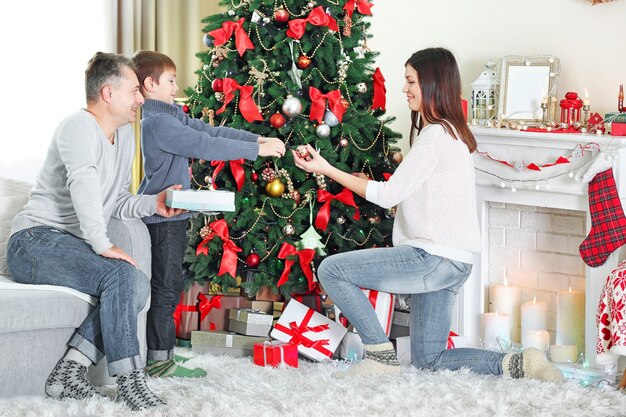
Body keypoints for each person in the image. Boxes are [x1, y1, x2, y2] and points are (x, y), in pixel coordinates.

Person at [293, 47, 563, 382]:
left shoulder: (435, 136)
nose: (404, 89)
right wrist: (374, 185)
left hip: (431, 258)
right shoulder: (451, 132)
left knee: (332, 270)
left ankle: (379, 355)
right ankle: (520, 364)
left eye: (410, 81)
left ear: (432, 83)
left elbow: (389, 195)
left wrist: (325, 167)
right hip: (455, 262)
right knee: (429, 360)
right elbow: (420, 196)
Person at [6, 52, 181, 411]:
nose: (141, 98)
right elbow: (83, 183)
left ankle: (69, 372)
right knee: (121, 273)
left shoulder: (124, 138)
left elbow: (115, 200)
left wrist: (154, 203)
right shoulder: (77, 127)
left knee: (136, 281)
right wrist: (102, 244)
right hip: (32, 243)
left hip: (66, 244)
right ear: (108, 93)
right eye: (134, 90)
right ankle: (131, 381)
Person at [130, 50, 285, 378]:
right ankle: (159, 360)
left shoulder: (170, 115)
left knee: (172, 284)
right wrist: (255, 150)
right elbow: (203, 145)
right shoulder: (158, 123)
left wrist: (256, 138)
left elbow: (213, 133)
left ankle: (164, 353)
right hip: (163, 218)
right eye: (170, 80)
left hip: (175, 215)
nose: (176, 86)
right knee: (166, 287)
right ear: (150, 84)